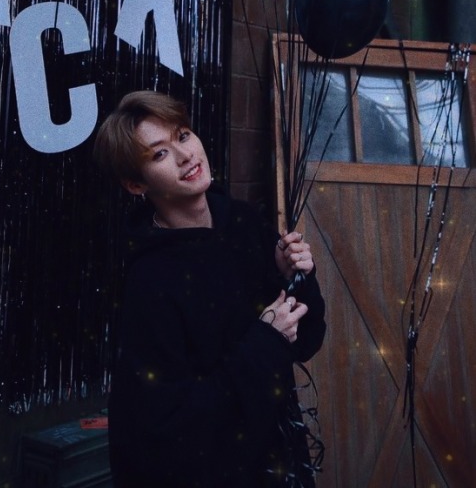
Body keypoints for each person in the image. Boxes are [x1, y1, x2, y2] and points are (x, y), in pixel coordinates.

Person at [94, 90, 326, 488]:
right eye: (160, 154)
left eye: (183, 135)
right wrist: (265, 341)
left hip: (281, 462)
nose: (185, 156)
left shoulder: (244, 224)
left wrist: (294, 276)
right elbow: (165, 431)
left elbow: (306, 341)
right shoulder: (150, 280)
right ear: (136, 184)